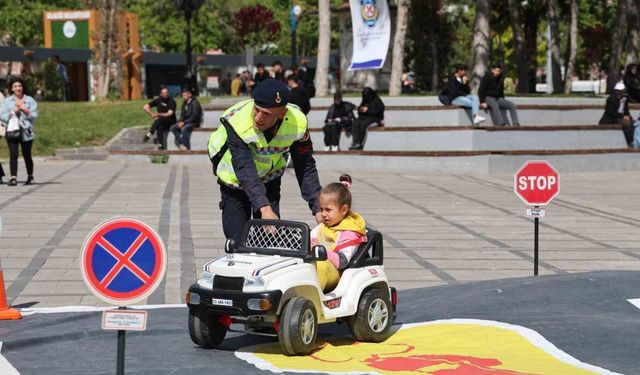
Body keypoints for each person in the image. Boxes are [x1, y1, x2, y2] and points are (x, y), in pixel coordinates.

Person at [207, 78, 323, 242]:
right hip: (235, 180)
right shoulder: (238, 122)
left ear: (282, 113)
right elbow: (244, 168)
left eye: (267, 114)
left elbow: (305, 165)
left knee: (269, 239)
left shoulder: (298, 123)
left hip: (269, 177)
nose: (258, 118)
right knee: (237, 240)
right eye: (257, 109)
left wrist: (318, 207)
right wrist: (264, 207)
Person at [312, 174, 367, 292]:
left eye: (328, 210)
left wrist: (319, 250)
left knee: (321, 265)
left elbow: (342, 262)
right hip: (319, 266)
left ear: (343, 210)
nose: (323, 214)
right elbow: (310, 239)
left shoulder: (349, 233)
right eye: (322, 209)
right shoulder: (323, 226)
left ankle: (315, 300)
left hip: (337, 273)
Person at [0, 76, 38, 186]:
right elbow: (2, 116)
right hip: (12, 130)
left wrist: (25, 110)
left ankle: (30, 176)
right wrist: (13, 111)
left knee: (27, 154)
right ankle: (13, 177)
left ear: (23, 87)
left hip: (26, 131)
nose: (18, 88)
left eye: (20, 86)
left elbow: (35, 115)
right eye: (15, 86)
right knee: (13, 154)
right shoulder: (7, 101)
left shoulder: (30, 100)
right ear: (12, 89)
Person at [599, 82, 634, 147]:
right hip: (612, 118)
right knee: (627, 124)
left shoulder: (624, 98)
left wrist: (628, 116)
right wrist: (623, 116)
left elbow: (626, 110)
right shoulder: (611, 99)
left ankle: (635, 140)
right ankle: (630, 142)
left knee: (633, 123)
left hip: (620, 116)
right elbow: (611, 112)